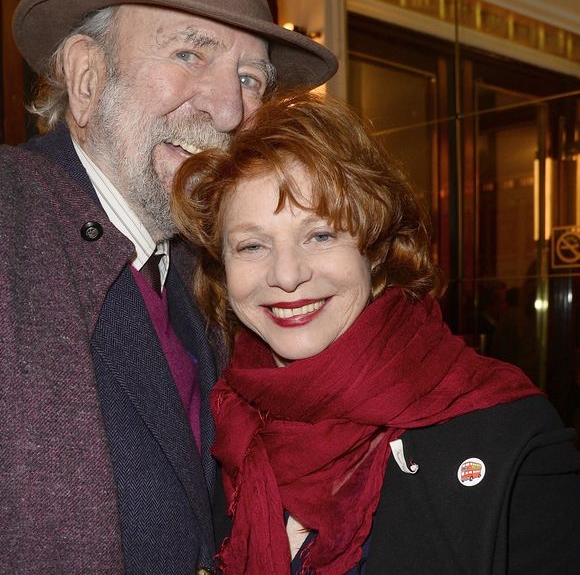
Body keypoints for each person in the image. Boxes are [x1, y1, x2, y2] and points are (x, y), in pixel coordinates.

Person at [172, 91, 580, 574]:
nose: (285, 275)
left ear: (376, 251)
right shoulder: (219, 426)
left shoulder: (509, 436)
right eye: (253, 245)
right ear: (223, 268)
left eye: (321, 236)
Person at [0, 0, 337, 573]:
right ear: (86, 76)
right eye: (189, 53)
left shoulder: (202, 272)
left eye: (250, 78)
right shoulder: (13, 217)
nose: (230, 110)